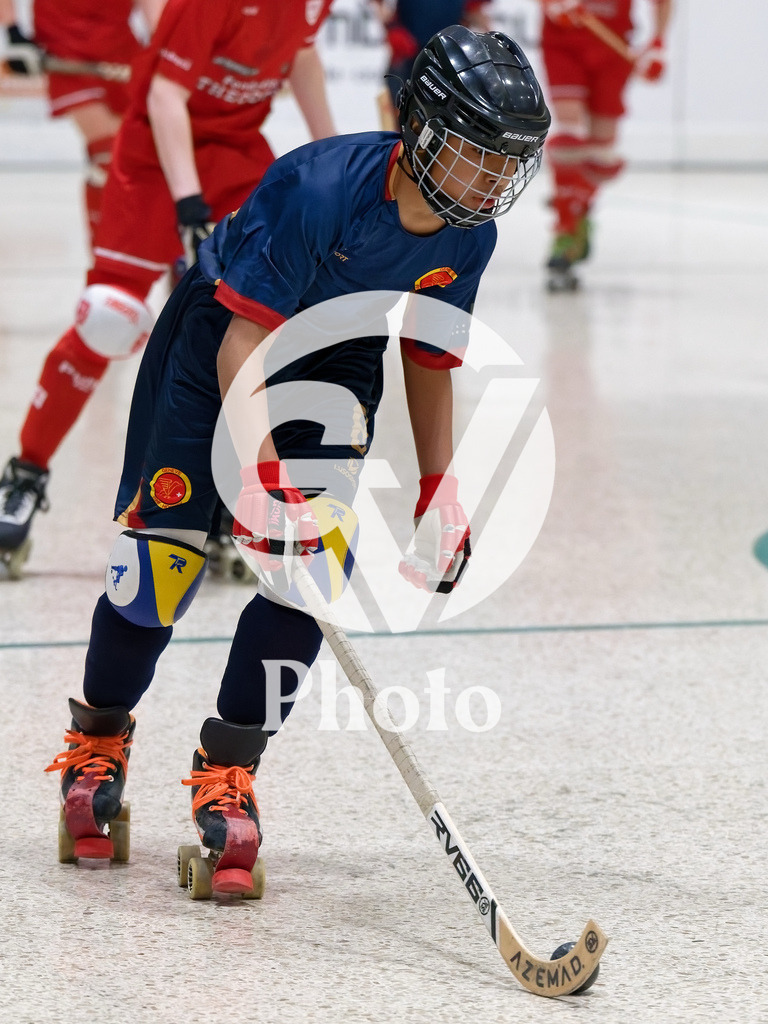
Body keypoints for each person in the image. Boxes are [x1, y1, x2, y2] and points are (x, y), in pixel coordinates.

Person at [43, 24, 551, 894]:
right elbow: (243, 344)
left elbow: (429, 356)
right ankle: (95, 750)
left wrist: (440, 488)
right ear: (422, 132)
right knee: (156, 565)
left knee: (307, 572)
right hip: (222, 341)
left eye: (510, 164)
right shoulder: (317, 187)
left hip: (335, 360)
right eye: (479, 156)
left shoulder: (470, 236)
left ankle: (228, 770)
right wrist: (267, 474)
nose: (495, 182)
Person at [0, 0, 336, 577]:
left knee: (253, 320)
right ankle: (25, 474)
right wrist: (188, 204)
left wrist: (336, 156)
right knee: (111, 316)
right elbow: (163, 95)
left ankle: (231, 497)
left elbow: (303, 55)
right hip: (156, 154)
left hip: (235, 152)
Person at [1, 0, 165, 252]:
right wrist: (13, 30)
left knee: (136, 157)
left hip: (122, 53)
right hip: (65, 54)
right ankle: (107, 257)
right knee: (107, 153)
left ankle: (147, 255)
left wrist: (163, 41)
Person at [538, 0, 673, 290]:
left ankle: (579, 207)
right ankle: (565, 227)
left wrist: (659, 42)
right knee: (569, 131)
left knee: (602, 147)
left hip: (611, 39)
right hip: (564, 40)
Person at [370, 0, 491, 130]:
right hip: (409, 53)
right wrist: (392, 27)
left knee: (448, 120)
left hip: (448, 55)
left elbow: (474, 10)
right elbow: (381, 7)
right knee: (400, 118)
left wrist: (489, 44)